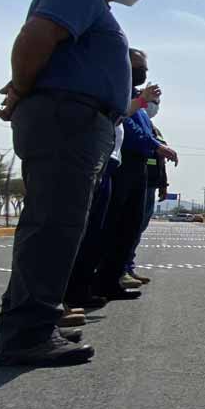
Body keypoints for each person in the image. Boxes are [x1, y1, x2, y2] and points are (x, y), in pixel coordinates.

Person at [0, 0, 155, 367]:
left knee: (57, 223)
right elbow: (36, 37)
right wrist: (21, 88)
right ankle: (28, 332)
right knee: (54, 224)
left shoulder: (89, 0)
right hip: (68, 118)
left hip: (78, 120)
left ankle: (32, 317)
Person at [93, 49, 179, 299]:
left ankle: (113, 279)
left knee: (129, 228)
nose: (143, 73)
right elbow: (128, 128)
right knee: (114, 226)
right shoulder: (120, 96)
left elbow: (144, 127)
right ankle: (96, 281)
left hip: (139, 171)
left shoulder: (139, 106)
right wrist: (156, 146)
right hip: (122, 166)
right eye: (139, 67)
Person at [63, 123, 125, 309]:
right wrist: (139, 101)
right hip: (87, 152)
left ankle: (78, 291)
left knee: (93, 234)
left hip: (105, 159)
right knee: (71, 231)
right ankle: (43, 309)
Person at [125, 108, 167, 285]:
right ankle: (120, 268)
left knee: (138, 228)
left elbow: (161, 161)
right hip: (134, 179)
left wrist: (163, 184)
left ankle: (128, 265)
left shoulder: (154, 130)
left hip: (150, 183)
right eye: (152, 101)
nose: (154, 105)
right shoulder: (136, 121)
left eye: (157, 102)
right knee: (128, 227)